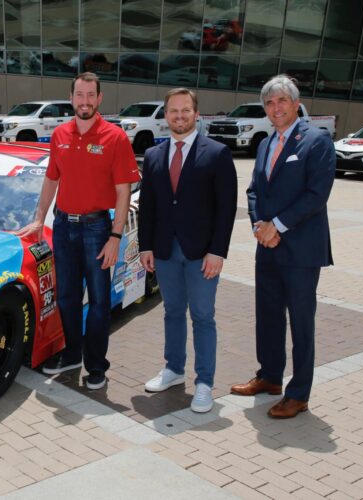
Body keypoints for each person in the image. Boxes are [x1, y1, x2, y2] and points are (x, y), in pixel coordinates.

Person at [17, 72, 140, 390]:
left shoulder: (115, 137)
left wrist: (115, 236)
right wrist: (38, 216)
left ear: (99, 99)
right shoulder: (59, 135)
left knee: (99, 301)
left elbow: (124, 191)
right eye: (79, 95)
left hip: (97, 229)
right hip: (62, 228)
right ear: (71, 98)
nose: (84, 101)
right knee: (67, 297)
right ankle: (72, 353)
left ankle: (97, 366)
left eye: (90, 95)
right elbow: (51, 180)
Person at [231, 75, 335, 419]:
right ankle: (270, 376)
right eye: (269, 103)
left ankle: (299, 393)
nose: (275, 108)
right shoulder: (264, 144)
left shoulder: (316, 141)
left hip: (302, 251)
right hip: (268, 247)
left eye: (281, 101)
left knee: (301, 322)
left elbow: (316, 194)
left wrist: (277, 226)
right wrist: (261, 226)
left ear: (296, 102)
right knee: (268, 315)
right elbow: (253, 192)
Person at [138, 88, 237, 413]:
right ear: (165, 116)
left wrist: (217, 252)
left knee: (203, 316)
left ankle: (205, 382)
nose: (179, 116)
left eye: (185, 110)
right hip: (165, 250)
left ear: (197, 114)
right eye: (173, 111)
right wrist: (146, 246)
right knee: (172, 312)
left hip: (201, 254)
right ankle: (174, 369)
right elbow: (148, 206)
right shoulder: (154, 155)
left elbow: (226, 209)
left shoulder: (217, 153)